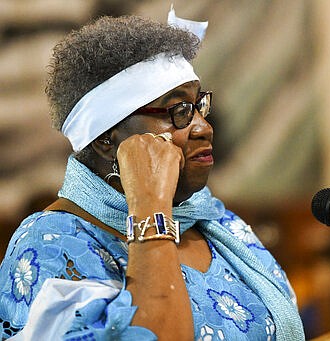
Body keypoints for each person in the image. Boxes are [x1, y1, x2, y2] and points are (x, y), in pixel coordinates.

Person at [0, 5, 305, 341]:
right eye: (178, 111)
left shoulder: (221, 224)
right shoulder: (53, 242)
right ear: (106, 140)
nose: (203, 128)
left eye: (198, 105)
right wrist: (149, 204)